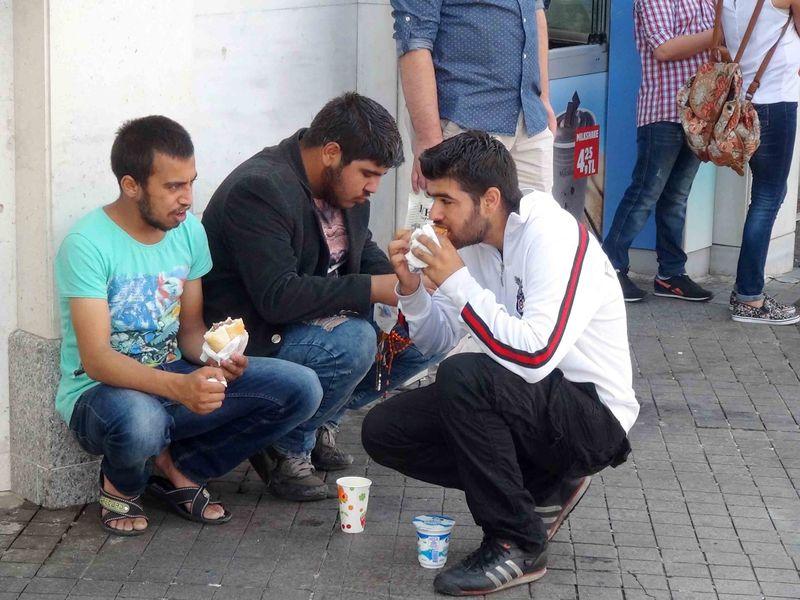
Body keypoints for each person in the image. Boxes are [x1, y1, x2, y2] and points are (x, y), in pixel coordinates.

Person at [363, 131, 639, 596]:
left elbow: (535, 355)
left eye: (446, 200)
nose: (434, 214)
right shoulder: (472, 240)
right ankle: (543, 484)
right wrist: (411, 290)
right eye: (433, 200)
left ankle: (518, 542)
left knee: (465, 377)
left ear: (489, 199)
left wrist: (457, 283)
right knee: (386, 430)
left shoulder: (551, 236)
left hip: (594, 420)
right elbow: (437, 338)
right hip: (533, 405)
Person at [54, 116, 322, 536]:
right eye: (173, 187)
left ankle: (179, 467)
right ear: (131, 185)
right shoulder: (87, 244)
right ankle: (120, 483)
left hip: (169, 375)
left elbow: (190, 334)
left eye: (191, 183)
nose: (187, 199)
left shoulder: (189, 231)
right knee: (142, 423)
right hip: (101, 395)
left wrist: (219, 359)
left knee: (302, 388)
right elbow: (97, 361)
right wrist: (181, 388)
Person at [202, 93, 433, 502]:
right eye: (368, 173)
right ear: (331, 152)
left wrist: (407, 280)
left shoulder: (344, 190)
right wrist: (374, 288)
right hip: (257, 338)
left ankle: (318, 420)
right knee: (354, 340)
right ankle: (284, 447)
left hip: (314, 328)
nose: (373, 188)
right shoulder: (259, 189)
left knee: (431, 328)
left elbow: (360, 253)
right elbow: (277, 297)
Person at [601, 0, 716, 302]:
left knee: (676, 198)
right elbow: (663, 48)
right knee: (645, 194)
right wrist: (718, 34)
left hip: (700, 113)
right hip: (663, 111)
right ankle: (608, 270)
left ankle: (671, 274)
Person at [391, 0, 556, 194]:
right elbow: (414, 40)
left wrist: (543, 96)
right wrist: (428, 141)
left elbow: (536, 11)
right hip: (466, 123)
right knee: (451, 222)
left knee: (536, 220)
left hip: (529, 119)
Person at [723, 0, 800, 324]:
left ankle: (746, 289)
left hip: (748, 102)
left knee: (767, 196)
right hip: (776, 101)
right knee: (768, 199)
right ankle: (750, 297)